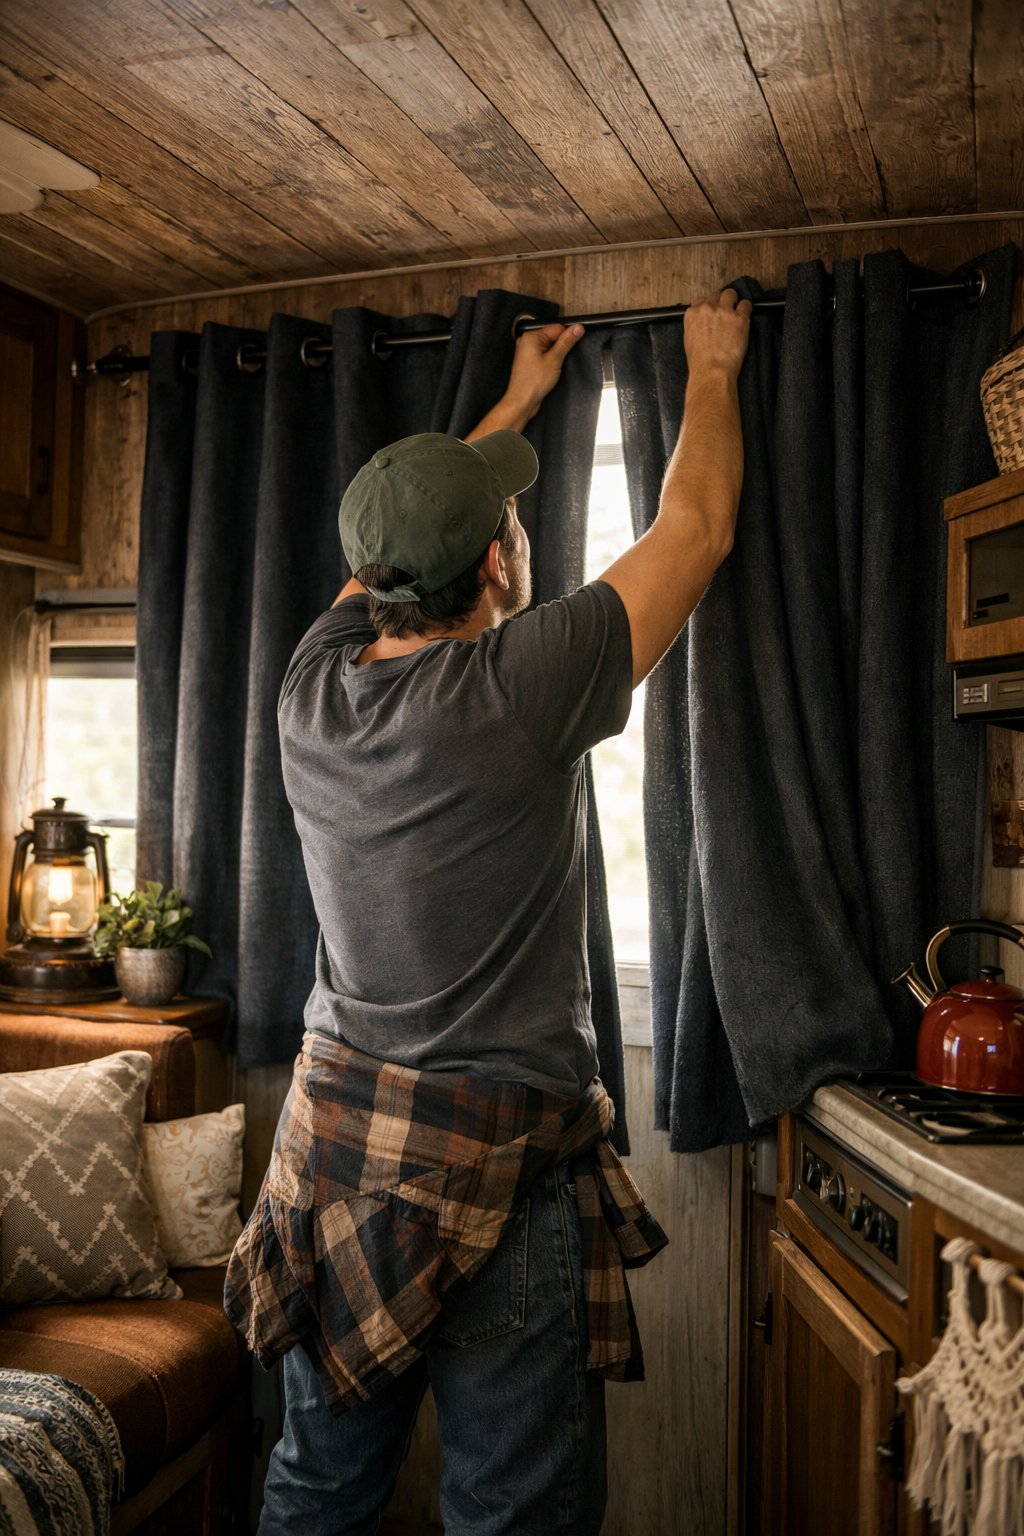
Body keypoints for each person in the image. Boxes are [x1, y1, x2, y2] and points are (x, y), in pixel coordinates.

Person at [225, 288, 751, 1536]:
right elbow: (700, 523)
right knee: (513, 1514)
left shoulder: (310, 686)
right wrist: (715, 368)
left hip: (335, 1163)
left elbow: (401, 543)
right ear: (503, 566)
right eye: (509, 524)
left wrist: (512, 404)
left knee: (314, 1488)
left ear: (374, 578)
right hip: (492, 1178)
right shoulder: (521, 685)